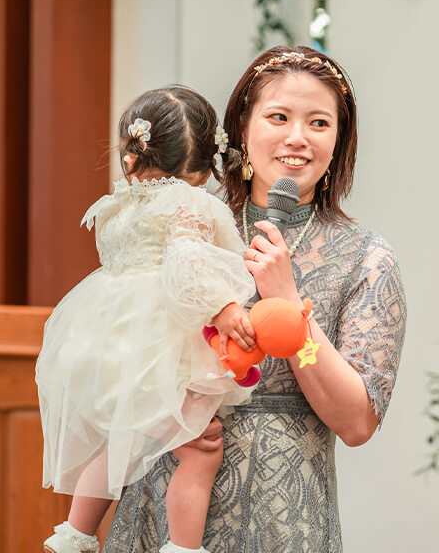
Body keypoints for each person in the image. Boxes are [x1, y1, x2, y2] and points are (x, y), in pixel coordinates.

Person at [105, 46, 408, 552]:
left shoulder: (367, 258)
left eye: (319, 123)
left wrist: (288, 302)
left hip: (286, 519)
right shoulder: (184, 223)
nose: (297, 137)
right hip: (167, 497)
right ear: (242, 128)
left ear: (338, 141)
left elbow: (356, 423)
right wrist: (161, 410)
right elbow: (114, 343)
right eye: (279, 117)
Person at [37, 85, 259, 553]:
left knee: (119, 437)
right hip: (163, 345)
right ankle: (182, 548)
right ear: (207, 165)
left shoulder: (118, 204)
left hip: (109, 339)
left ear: (132, 156)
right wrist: (222, 307)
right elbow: (185, 264)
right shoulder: (189, 203)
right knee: (200, 449)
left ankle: (75, 534)